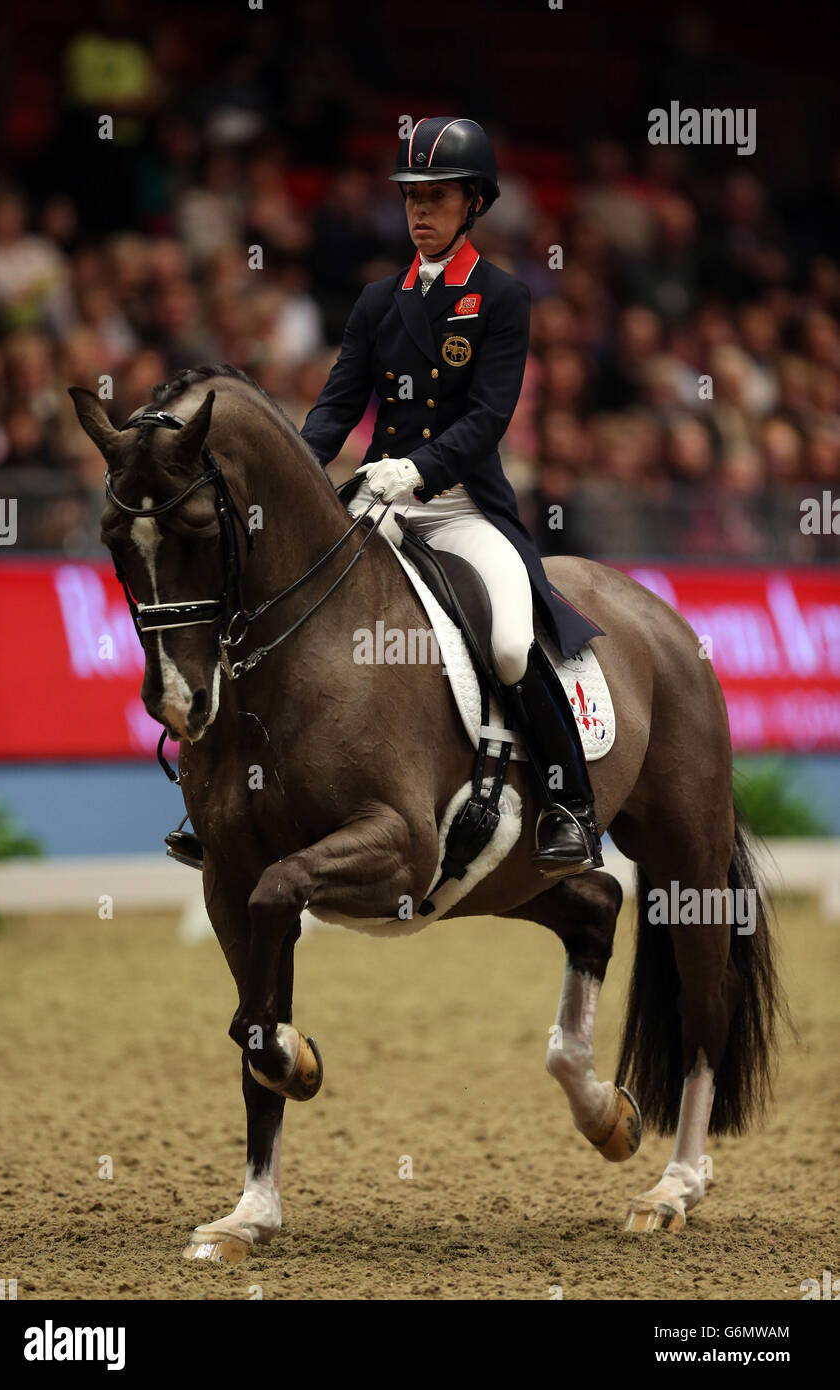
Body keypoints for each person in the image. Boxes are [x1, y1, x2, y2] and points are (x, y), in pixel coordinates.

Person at [299, 117, 606, 876]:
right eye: (411, 198)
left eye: (436, 197)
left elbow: (488, 417)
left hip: (462, 504)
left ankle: (568, 803)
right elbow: (337, 410)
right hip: (378, 500)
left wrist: (420, 470)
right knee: (290, 606)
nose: (420, 212)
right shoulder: (377, 301)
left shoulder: (501, 297)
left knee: (507, 642)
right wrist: (300, 471)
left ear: (474, 203)